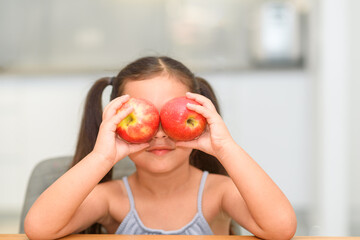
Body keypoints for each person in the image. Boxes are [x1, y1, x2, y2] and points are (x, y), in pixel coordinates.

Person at [24, 56, 297, 239]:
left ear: (200, 118)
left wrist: (225, 147)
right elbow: (38, 229)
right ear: (117, 123)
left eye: (169, 116)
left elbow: (281, 228)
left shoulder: (218, 193)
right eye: (147, 117)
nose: (159, 133)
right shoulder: (112, 199)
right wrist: (102, 156)